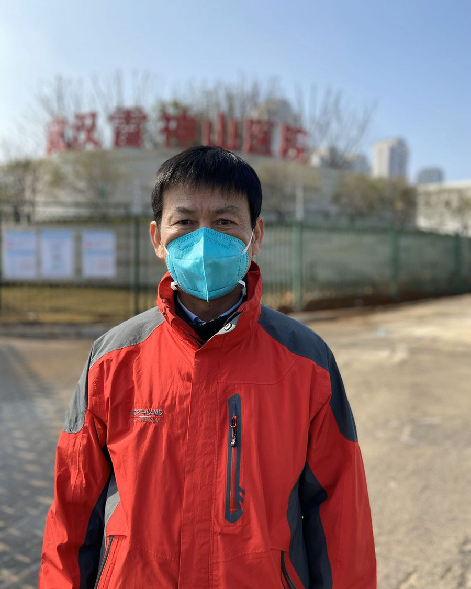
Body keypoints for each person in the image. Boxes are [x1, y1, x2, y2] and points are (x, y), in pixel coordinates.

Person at [40, 146, 376, 588]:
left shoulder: (307, 362)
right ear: (157, 238)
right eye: (184, 222)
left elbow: (341, 516)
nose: (203, 241)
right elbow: (73, 508)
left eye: (224, 222)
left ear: (255, 235)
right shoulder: (111, 360)